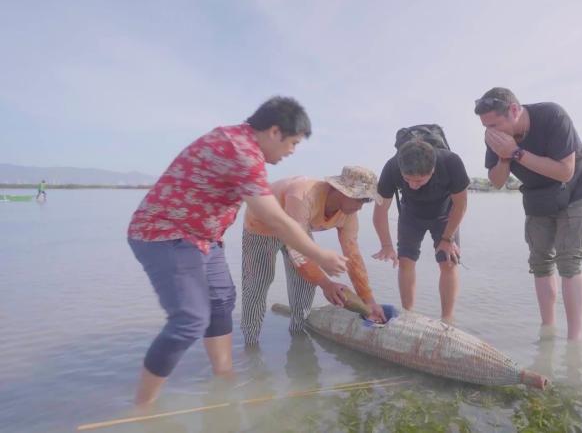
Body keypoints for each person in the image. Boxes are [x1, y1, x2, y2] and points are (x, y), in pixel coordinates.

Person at [126, 96, 348, 406]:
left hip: (204, 238)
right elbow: (275, 219)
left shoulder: (245, 148)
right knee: (190, 319)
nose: (292, 151)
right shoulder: (239, 150)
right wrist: (322, 256)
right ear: (274, 132)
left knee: (221, 300)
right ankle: (143, 407)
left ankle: (224, 375)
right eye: (293, 143)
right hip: (164, 233)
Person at [475, 87, 582, 341]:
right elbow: (497, 181)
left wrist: (516, 152)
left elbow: (565, 171)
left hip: (576, 191)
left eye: (494, 125)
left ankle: (574, 339)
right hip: (537, 195)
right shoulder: (494, 137)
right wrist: (504, 158)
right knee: (540, 263)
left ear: (514, 110)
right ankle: (547, 331)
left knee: (569, 263)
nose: (490, 132)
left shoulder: (553, 116)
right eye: (485, 127)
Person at [240, 165, 387, 341]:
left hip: (299, 228)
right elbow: (296, 248)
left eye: (366, 201)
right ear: (342, 191)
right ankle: (250, 341)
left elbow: (353, 256)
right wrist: (326, 284)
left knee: (306, 284)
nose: (360, 207)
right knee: (257, 284)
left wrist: (368, 301)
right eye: (359, 199)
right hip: (261, 225)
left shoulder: (349, 214)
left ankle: (298, 337)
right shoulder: (303, 195)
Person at [372, 139, 469, 323]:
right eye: (407, 179)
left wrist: (447, 239)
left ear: (432, 170)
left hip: (445, 215)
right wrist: (386, 245)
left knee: (448, 262)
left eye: (419, 180)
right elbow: (380, 212)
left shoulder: (451, 162)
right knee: (405, 261)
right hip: (410, 215)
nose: (412, 185)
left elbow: (461, 205)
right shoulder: (392, 167)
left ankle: (447, 319)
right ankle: (408, 315)